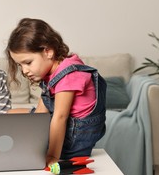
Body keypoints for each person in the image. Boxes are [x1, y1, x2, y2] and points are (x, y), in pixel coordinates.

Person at [6, 18, 106, 166]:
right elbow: (41, 112)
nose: (24, 70)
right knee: (9, 114)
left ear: (48, 52)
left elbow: (60, 117)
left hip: (73, 140)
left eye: (28, 63)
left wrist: (51, 156)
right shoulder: (52, 72)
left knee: (25, 130)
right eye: (19, 65)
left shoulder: (67, 75)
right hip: (61, 124)